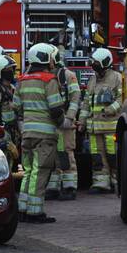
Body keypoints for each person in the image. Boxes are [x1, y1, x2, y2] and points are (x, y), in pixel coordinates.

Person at [13, 43, 64, 223]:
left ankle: (22, 209)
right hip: (45, 136)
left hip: (27, 134)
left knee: (27, 171)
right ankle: (35, 212)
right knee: (40, 172)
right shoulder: (49, 80)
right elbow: (56, 109)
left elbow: (16, 108)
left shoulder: (21, 80)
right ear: (44, 59)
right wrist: (62, 123)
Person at [81, 47, 121, 193]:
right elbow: (86, 103)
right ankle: (101, 183)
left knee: (113, 156)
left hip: (111, 127)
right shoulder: (92, 80)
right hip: (94, 128)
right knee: (97, 157)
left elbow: (122, 98)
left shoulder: (117, 78)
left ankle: (116, 182)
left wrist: (110, 109)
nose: (94, 67)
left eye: (96, 64)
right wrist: (82, 120)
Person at [45, 47, 82, 201]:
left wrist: (70, 118)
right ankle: (53, 187)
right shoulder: (45, 76)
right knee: (52, 156)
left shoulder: (68, 76)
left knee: (66, 154)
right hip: (50, 123)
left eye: (49, 58)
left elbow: (75, 98)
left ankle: (69, 187)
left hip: (65, 123)